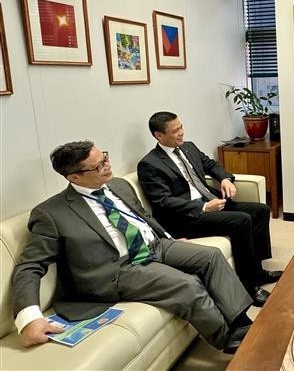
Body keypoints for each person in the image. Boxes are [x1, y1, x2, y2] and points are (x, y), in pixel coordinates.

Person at [12, 141, 253, 354]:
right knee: (187, 284)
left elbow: (143, 218)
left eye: (105, 158)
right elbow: (30, 265)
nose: (106, 165)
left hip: (154, 246)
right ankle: (227, 339)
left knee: (211, 255)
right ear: (73, 177)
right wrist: (29, 319)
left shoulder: (118, 186)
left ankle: (241, 323)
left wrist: (169, 238)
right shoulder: (51, 213)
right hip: (118, 269)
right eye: (97, 166)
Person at [137, 112, 281, 307]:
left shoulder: (188, 147)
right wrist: (203, 206)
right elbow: (164, 202)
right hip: (186, 217)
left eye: (181, 127)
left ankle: (258, 271)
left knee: (261, 210)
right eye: (175, 131)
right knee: (241, 220)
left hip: (212, 200)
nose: (181, 133)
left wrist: (225, 179)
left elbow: (211, 165)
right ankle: (249, 286)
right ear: (158, 136)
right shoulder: (149, 164)